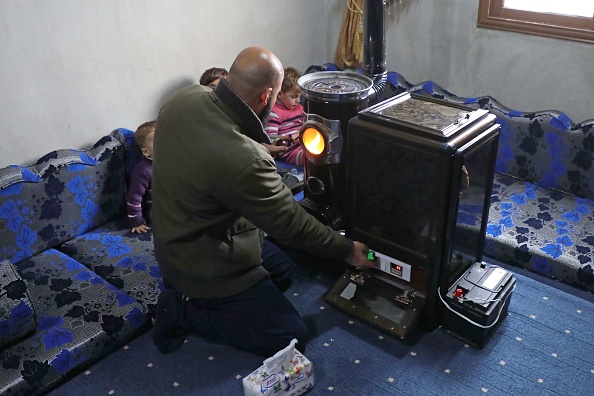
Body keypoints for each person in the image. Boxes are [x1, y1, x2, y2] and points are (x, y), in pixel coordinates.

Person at [152, 46, 375, 357]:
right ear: (267, 95)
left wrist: (265, 147)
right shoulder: (244, 160)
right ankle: (182, 309)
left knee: (281, 270)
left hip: (172, 238)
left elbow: (213, 154)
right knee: (290, 336)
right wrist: (347, 250)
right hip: (201, 266)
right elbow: (291, 225)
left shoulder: (185, 99)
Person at [264, 67, 305, 165]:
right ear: (280, 94)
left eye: (300, 96)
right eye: (294, 97)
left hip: (304, 144)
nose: (298, 101)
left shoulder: (299, 107)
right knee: (310, 159)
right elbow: (272, 140)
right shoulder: (274, 113)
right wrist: (293, 137)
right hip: (289, 151)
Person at [126, 120, 156, 233]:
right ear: (146, 152)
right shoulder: (143, 170)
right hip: (154, 208)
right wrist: (137, 221)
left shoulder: (172, 160)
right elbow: (134, 197)